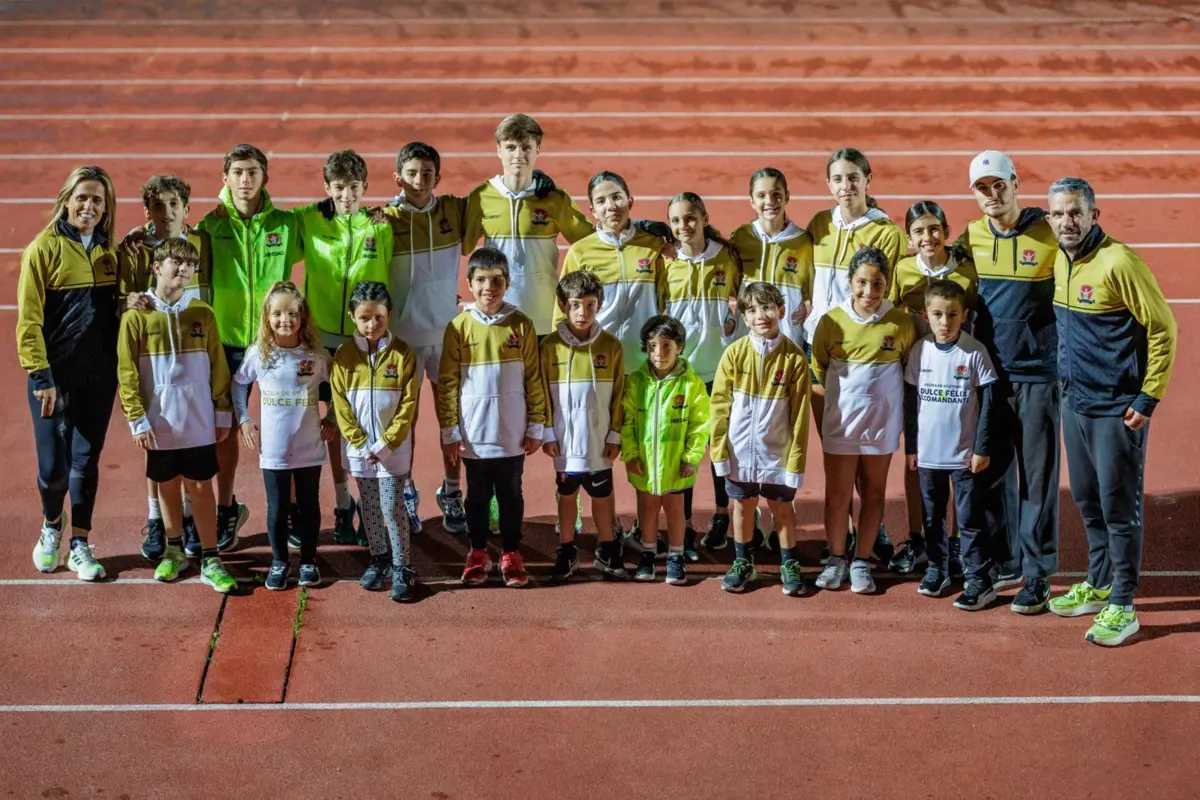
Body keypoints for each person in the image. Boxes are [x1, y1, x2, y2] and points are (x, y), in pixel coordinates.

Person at [1045, 177, 1177, 646]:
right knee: (1087, 500)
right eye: (1059, 214)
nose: (1067, 222)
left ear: (1094, 215)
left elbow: (1163, 328)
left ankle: (1123, 604)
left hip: (1116, 411)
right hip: (1076, 405)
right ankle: (1100, 583)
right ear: (1050, 219)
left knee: (1119, 510)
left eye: (1076, 213)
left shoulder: (1119, 261)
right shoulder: (1060, 259)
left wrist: (1147, 398)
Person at [958, 150, 1061, 614]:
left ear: (1016, 183)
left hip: (1038, 375)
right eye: (982, 188)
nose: (992, 194)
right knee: (992, 475)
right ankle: (1007, 560)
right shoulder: (972, 237)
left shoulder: (1048, 232)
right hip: (993, 378)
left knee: (1037, 480)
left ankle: (1038, 576)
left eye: (999, 184)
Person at [196, 143, 304, 552]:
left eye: (253, 172)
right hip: (225, 345)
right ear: (225, 178)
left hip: (276, 343)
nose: (245, 179)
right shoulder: (209, 227)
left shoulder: (287, 224)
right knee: (224, 433)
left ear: (264, 178)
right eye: (238, 172)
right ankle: (227, 508)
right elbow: (175, 252)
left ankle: (292, 508)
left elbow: (331, 221)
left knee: (289, 425)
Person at [115, 238, 237, 593]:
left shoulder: (202, 312)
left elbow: (218, 366)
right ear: (156, 267)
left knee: (200, 486)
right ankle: (173, 550)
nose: (182, 269)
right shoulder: (136, 315)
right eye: (175, 262)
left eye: (189, 264)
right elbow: (126, 372)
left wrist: (222, 411)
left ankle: (211, 557)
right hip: (158, 422)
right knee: (166, 485)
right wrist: (136, 417)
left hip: (198, 419)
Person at [807, 149, 907, 566]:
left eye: (853, 177)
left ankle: (871, 529)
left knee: (867, 451)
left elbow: (889, 290)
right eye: (838, 179)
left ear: (868, 180)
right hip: (821, 351)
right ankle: (842, 535)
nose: (846, 186)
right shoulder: (818, 226)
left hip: (864, 353)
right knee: (837, 453)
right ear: (828, 185)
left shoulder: (885, 232)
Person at [21, 166, 120, 581]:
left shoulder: (111, 254)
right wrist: (41, 377)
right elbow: (28, 321)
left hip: (98, 378)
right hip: (54, 380)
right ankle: (51, 524)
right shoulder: (42, 250)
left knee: (85, 461)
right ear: (66, 200)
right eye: (82, 197)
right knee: (53, 470)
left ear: (106, 208)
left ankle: (79, 543)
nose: (89, 206)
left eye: (98, 199)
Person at [295, 150, 394, 546]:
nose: (347, 196)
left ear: (365, 188)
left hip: (361, 343)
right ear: (327, 189)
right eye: (339, 188)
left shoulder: (382, 227)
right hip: (318, 340)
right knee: (316, 426)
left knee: (359, 423)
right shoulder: (310, 221)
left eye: (354, 188)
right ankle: (340, 503)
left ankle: (384, 502)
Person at [438, 247, 547, 588]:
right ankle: (478, 552)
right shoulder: (458, 328)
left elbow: (534, 378)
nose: (490, 287)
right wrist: (450, 431)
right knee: (477, 497)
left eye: (497, 280)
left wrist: (536, 425)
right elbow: (447, 384)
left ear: (507, 282)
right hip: (474, 433)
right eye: (482, 280)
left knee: (512, 494)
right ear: (469, 283)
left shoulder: (522, 325)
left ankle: (512, 553)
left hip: (512, 432)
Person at [118, 174, 213, 560]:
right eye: (159, 206)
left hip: (195, 344)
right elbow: (123, 295)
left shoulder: (203, 242)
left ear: (186, 209)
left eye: (174, 205)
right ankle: (157, 517)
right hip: (154, 354)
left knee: (199, 436)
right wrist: (129, 299)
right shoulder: (136, 248)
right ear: (147, 212)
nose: (167, 213)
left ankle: (195, 517)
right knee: (156, 438)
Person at [811, 247, 915, 594]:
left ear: (887, 284)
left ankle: (861, 561)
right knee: (837, 496)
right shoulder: (831, 322)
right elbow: (820, 369)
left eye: (878, 283)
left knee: (873, 492)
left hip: (881, 425)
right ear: (849, 281)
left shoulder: (900, 321)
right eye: (861, 283)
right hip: (842, 424)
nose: (869, 292)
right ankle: (836, 559)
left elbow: (905, 367)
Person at [888, 201, 980, 576]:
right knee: (916, 458)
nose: (928, 237)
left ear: (946, 230)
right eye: (919, 231)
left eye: (934, 229)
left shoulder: (966, 273)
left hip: (957, 380)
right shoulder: (902, 271)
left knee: (960, 457)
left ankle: (956, 543)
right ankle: (919, 538)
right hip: (916, 380)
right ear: (909, 238)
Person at [385, 141, 471, 535]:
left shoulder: (454, 209)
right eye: (413, 173)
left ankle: (452, 491)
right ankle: (405, 490)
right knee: (406, 421)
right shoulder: (383, 219)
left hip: (446, 336)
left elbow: (495, 195)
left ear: (439, 177)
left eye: (428, 173)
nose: (420, 180)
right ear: (398, 176)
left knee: (452, 419)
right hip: (402, 340)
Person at [234, 282, 337, 591]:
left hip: (309, 446)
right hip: (274, 449)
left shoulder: (315, 354)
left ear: (302, 317)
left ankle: (308, 561)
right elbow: (239, 384)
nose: (285, 320)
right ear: (267, 317)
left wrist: (331, 415)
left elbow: (338, 386)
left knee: (309, 505)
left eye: (292, 313)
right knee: (277, 506)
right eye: (277, 314)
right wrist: (243, 418)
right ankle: (279, 562)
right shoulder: (259, 354)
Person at [709, 282, 811, 595]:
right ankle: (743, 562)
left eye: (767, 307)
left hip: (777, 452)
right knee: (741, 505)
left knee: (782, 508)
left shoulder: (794, 359)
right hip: (740, 451)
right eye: (751, 310)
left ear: (781, 311)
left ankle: (789, 563)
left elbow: (800, 414)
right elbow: (719, 405)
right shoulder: (734, 354)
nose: (761, 315)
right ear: (744, 317)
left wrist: (795, 459)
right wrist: (719, 451)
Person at [903, 280, 999, 611]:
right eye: (938, 315)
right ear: (926, 315)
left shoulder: (974, 352)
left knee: (969, 518)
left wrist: (982, 447)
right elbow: (910, 401)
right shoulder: (920, 351)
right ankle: (936, 568)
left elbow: (989, 402)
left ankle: (978, 579)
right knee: (932, 515)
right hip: (929, 455)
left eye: (952, 315)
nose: (945, 323)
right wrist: (911, 448)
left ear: (964, 316)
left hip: (963, 455)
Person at [660, 192, 742, 558]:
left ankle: (723, 515)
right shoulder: (665, 262)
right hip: (682, 374)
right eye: (676, 221)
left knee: (720, 449)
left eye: (690, 218)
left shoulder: (727, 256)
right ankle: (687, 524)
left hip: (720, 374)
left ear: (705, 217)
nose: (683, 227)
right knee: (685, 453)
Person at [463, 114, 594, 337]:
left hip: (544, 317)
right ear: (498, 150)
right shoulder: (480, 197)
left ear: (537, 149)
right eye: (511, 147)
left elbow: (591, 242)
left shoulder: (554, 198)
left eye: (526, 147)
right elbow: (460, 246)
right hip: (497, 315)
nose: (518, 155)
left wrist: (636, 228)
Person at [331, 281, 421, 602]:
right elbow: (340, 404)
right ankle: (379, 558)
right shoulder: (343, 355)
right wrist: (358, 440)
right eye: (364, 318)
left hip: (391, 451)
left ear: (389, 315)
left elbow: (408, 405)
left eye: (378, 318)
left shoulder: (403, 354)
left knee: (391, 506)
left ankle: (402, 566)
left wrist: (385, 443)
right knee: (368, 505)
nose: (372, 325)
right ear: (352, 317)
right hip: (359, 451)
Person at [541, 270, 627, 581]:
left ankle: (607, 548)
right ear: (564, 305)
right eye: (576, 304)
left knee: (602, 497)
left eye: (590, 305)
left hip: (599, 439)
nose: (583, 312)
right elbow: (540, 393)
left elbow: (619, 395)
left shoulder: (611, 346)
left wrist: (615, 433)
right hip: (565, 441)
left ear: (599, 306)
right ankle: (567, 549)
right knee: (566, 496)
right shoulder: (550, 347)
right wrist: (547, 432)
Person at [620, 315, 710, 585]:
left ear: (680, 346)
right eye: (652, 346)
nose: (659, 353)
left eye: (667, 345)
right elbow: (627, 421)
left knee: (675, 510)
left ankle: (676, 555)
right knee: (647, 509)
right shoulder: (636, 381)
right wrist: (631, 453)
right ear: (645, 348)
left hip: (675, 463)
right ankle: (648, 554)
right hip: (644, 462)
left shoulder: (691, 384)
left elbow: (699, 424)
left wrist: (691, 457)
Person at [557, 171, 665, 375]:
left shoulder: (653, 245)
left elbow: (666, 295)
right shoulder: (580, 252)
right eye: (601, 201)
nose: (611, 206)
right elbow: (562, 308)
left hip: (645, 361)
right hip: (597, 360)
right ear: (593, 211)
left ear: (630, 201)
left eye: (616, 197)